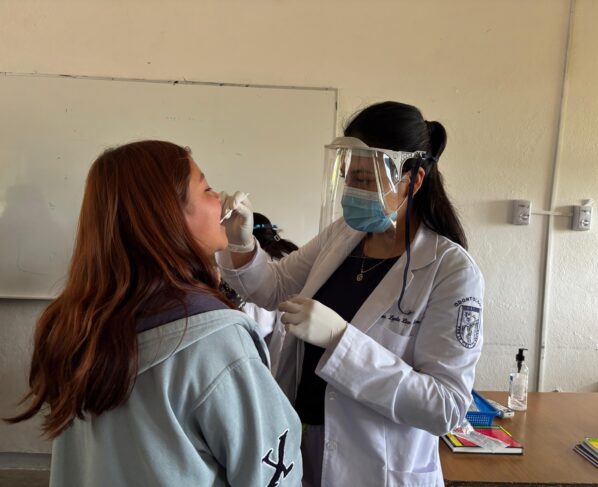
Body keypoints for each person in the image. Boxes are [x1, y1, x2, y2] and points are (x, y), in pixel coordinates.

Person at [217, 101, 484, 486]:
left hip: (375, 467)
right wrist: (241, 244)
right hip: (301, 446)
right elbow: (274, 288)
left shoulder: (450, 271)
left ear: (413, 180)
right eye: (348, 178)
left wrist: (341, 341)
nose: (352, 192)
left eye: (364, 179)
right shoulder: (345, 234)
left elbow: (446, 407)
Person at [5, 140, 302, 487]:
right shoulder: (217, 343)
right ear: (169, 217)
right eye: (206, 188)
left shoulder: (75, 327)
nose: (221, 199)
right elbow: (271, 472)